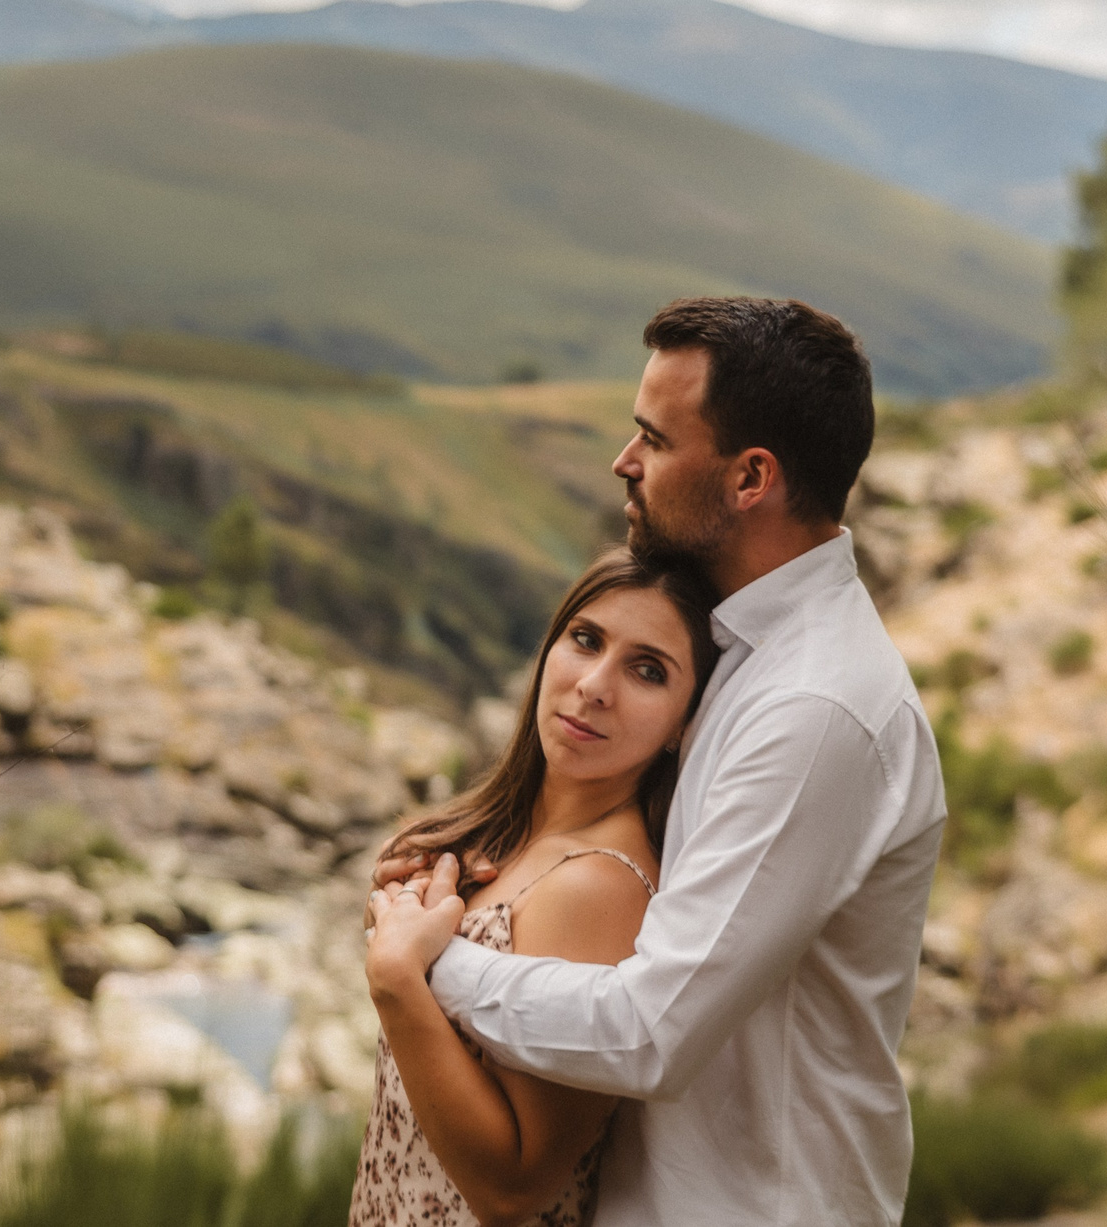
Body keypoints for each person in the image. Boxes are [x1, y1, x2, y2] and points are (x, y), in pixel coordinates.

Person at [367, 296, 946, 1227]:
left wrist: (431, 963)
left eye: (654, 438)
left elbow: (650, 1030)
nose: (623, 461)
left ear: (751, 476)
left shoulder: (815, 705)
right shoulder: (745, 654)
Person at [353, 549, 723, 1227]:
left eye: (648, 670)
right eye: (586, 640)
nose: (594, 685)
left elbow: (516, 1187)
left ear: (682, 725)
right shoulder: (490, 844)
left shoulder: (595, 885)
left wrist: (398, 978)